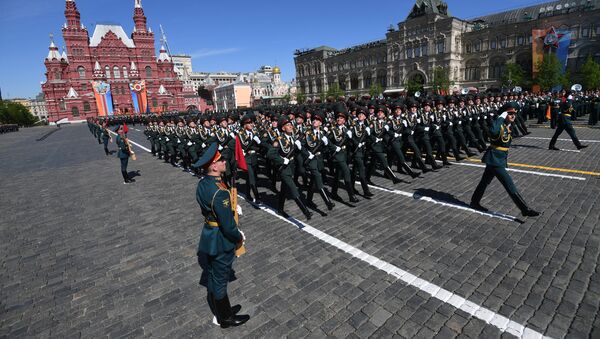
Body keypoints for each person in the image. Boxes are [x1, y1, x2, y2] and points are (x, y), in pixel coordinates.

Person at [192, 143, 250, 328]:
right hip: (220, 239)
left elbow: (209, 209)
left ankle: (222, 310)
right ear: (214, 167)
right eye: (221, 160)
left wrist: (232, 208)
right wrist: (238, 235)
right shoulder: (219, 192)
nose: (225, 161)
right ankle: (224, 318)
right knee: (220, 279)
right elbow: (227, 226)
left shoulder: (204, 183)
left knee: (214, 275)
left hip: (209, 234)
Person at [470, 103, 540, 217]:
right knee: (509, 183)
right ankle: (524, 209)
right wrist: (500, 117)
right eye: (510, 113)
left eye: (514, 114)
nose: (513, 116)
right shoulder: (499, 125)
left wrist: (505, 118)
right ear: (504, 114)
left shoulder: (507, 125)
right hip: (495, 159)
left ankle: (474, 201)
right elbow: (492, 132)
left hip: (499, 158)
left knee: (484, 182)